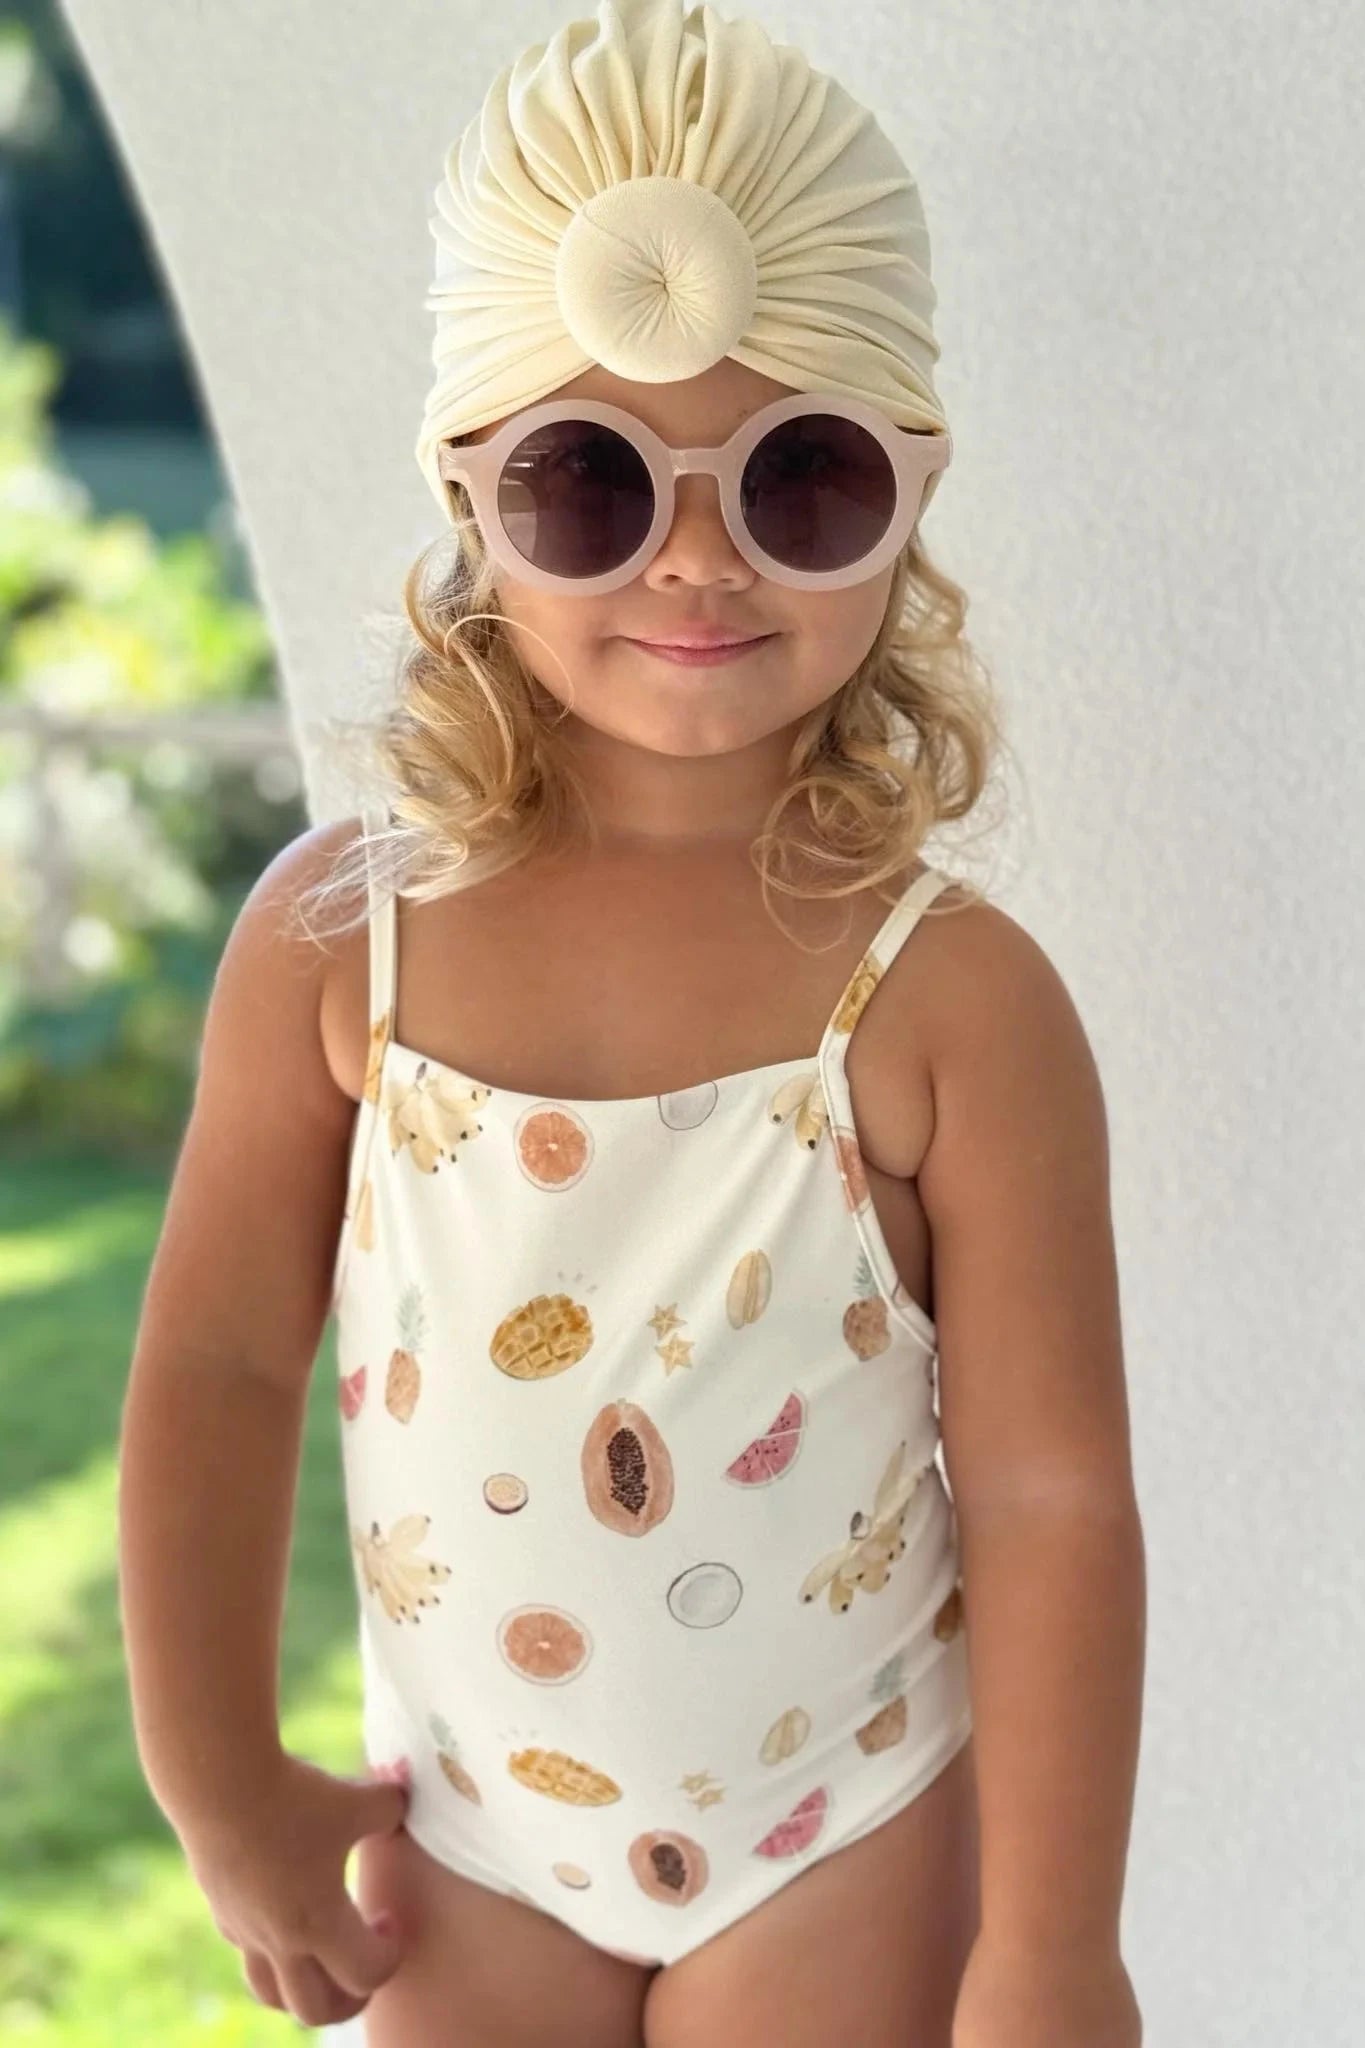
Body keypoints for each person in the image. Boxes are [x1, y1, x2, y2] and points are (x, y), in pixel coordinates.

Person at [117, 4, 1145, 2045]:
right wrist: (212, 1773)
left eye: (799, 477)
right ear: (467, 487)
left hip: (843, 1825)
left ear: (907, 490)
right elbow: (221, 1364)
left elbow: (1045, 1496)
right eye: (591, 479)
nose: (694, 552)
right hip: (475, 1837)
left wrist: (1045, 1945)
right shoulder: (340, 942)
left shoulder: (950, 1001)